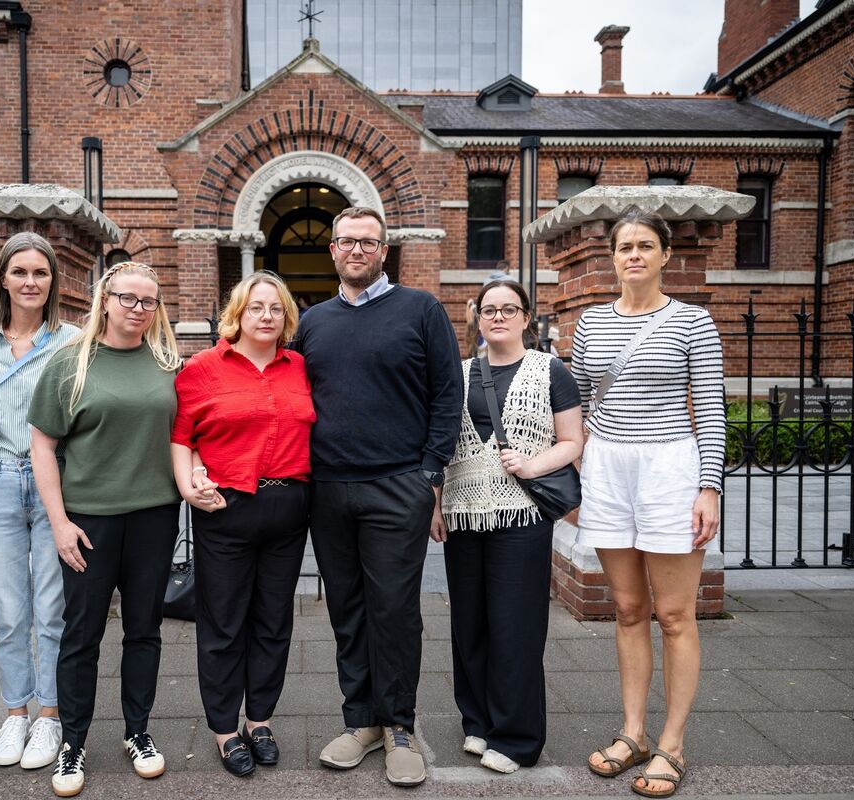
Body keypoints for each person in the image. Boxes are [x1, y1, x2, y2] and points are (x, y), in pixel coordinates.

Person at [293, 206, 462, 787]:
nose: (357, 250)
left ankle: (399, 726)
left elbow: (447, 393)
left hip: (398, 485)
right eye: (347, 241)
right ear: (333, 251)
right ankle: (360, 720)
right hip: (328, 489)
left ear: (384, 251)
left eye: (368, 242)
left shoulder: (421, 310)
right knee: (347, 610)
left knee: (393, 610)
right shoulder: (314, 322)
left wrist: (429, 473)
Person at [572, 210, 725, 799]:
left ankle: (672, 744)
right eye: (624, 247)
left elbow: (710, 408)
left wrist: (709, 487)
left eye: (644, 245)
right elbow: (578, 402)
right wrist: (579, 468)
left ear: (665, 255)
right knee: (629, 608)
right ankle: (633, 733)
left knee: (676, 615)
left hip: (669, 468)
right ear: (612, 257)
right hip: (609, 469)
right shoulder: (590, 322)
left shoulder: (692, 321)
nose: (633, 255)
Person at [28, 261, 182, 797]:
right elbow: (42, 446)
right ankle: (72, 743)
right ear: (106, 300)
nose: (138, 309)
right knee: (82, 634)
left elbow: (185, 436)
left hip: (154, 517)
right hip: (89, 522)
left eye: (148, 301)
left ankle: (137, 732)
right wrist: (59, 524)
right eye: (127, 298)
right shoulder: (70, 362)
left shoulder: (167, 364)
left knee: (144, 630)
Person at [433, 278, 583, 774]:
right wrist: (435, 505)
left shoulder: (549, 370)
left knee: (515, 626)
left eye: (508, 309)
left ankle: (517, 738)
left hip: (521, 515)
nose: (498, 317)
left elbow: (573, 441)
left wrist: (532, 465)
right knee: (469, 623)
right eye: (489, 309)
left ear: (525, 318)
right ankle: (478, 722)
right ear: (478, 317)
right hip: (463, 514)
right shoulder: (457, 374)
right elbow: (441, 447)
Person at [171, 271, 315, 778]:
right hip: (225, 508)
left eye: (276, 308)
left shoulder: (299, 366)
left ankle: (260, 720)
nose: (266, 316)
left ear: (287, 317)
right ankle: (224, 729)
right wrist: (188, 483)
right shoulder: (203, 368)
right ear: (238, 313)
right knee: (224, 622)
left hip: (288, 507)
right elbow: (181, 436)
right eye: (256, 307)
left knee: (274, 620)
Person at [0, 232, 79, 771]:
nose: (30, 282)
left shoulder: (71, 339)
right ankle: (15, 712)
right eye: (20, 272)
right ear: (3, 279)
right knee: (9, 611)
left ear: (53, 281)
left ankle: (49, 715)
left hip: (54, 479)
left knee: (52, 607)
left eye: (40, 273)